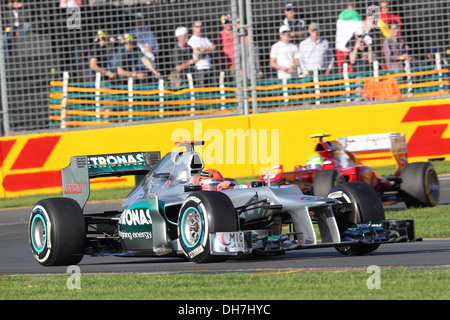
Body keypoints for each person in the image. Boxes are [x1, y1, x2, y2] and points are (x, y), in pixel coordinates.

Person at [335, 2, 364, 74]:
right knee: (350, 73)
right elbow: (359, 34)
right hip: (350, 50)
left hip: (339, 48)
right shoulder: (357, 18)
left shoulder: (341, 16)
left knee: (342, 72)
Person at [187, 20, 217, 87]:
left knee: (213, 89)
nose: (200, 28)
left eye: (201, 26)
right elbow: (197, 54)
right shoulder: (192, 41)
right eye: (197, 26)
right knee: (202, 91)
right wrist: (208, 50)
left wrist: (203, 50)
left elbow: (214, 49)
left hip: (209, 67)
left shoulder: (205, 38)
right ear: (193, 28)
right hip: (200, 69)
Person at [216, 14, 236, 83]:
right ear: (222, 24)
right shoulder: (220, 35)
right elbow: (217, 51)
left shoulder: (236, 33)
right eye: (226, 23)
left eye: (229, 22)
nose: (228, 24)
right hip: (226, 66)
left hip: (237, 65)